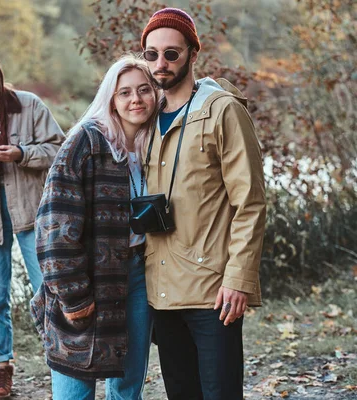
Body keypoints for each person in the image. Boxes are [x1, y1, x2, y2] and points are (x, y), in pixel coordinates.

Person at [139, 8, 267, 400]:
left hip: (214, 291)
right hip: (160, 291)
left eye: (171, 53)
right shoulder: (143, 118)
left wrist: (238, 279)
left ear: (194, 53)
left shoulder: (222, 110)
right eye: (151, 54)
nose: (160, 63)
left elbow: (251, 202)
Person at [30, 55, 157, 400]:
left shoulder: (155, 146)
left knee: (128, 388)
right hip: (84, 281)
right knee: (74, 390)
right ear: (111, 99)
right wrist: (73, 296)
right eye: (125, 92)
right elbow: (53, 227)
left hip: (137, 278)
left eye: (144, 90)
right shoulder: (85, 143)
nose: (136, 100)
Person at [0, 46, 65, 399]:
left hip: (32, 215)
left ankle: (61, 362)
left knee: (48, 290)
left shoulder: (30, 105)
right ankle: (2, 367)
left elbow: (58, 150)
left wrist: (21, 154)